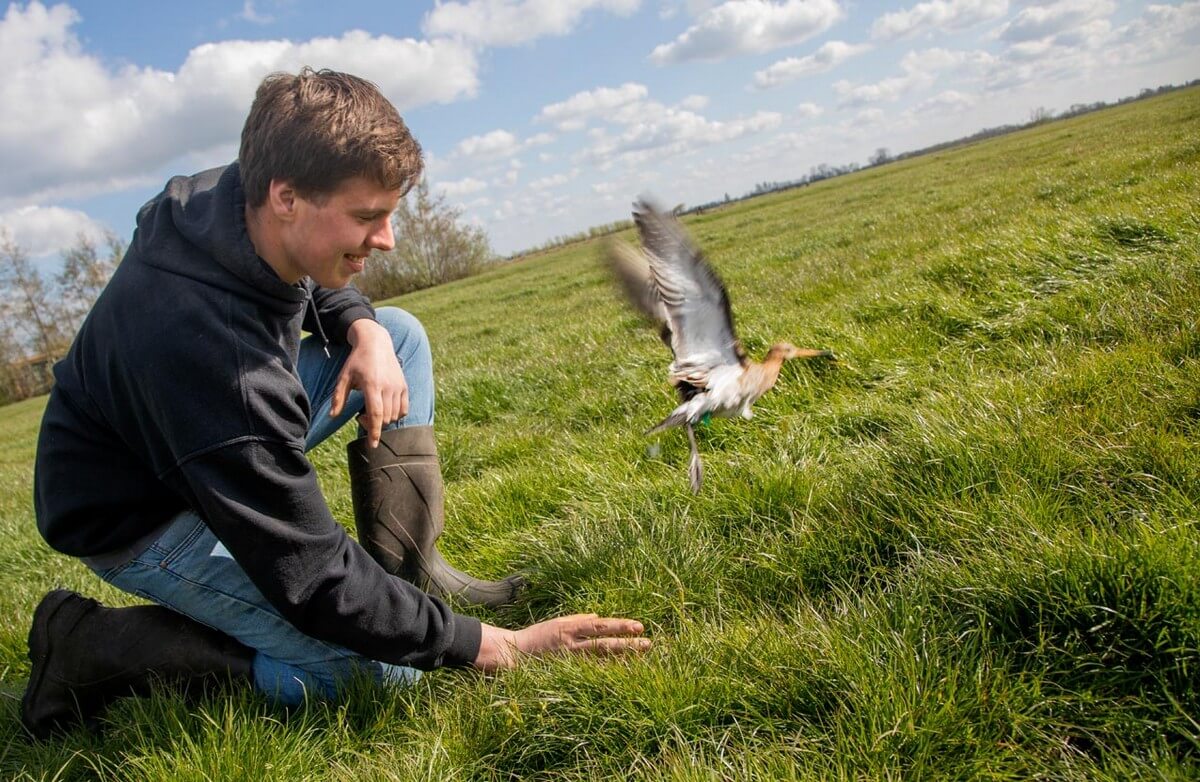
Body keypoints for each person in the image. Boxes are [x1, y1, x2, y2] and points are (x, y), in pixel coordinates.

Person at [21, 67, 649, 740]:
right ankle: (90, 648)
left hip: (191, 439)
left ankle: (409, 578)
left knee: (398, 336)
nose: (387, 241)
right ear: (287, 197)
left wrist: (363, 326)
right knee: (379, 673)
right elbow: (310, 572)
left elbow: (311, 274)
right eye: (366, 217)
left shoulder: (238, 197)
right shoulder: (218, 364)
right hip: (140, 516)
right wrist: (494, 646)